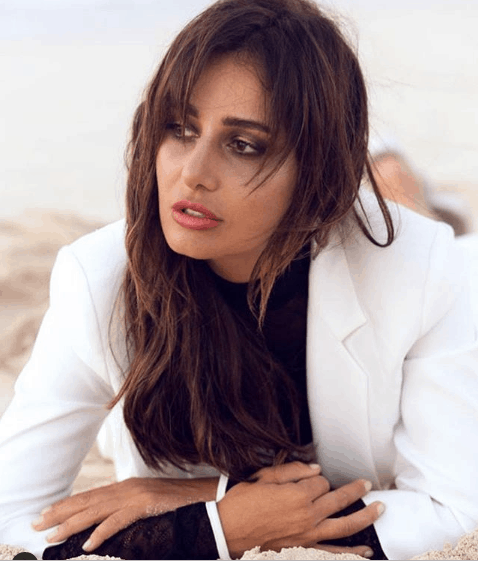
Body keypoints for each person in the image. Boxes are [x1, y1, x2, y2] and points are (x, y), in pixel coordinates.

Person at [0, 0, 477, 560]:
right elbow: (11, 518)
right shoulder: (96, 277)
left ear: (316, 169)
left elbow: (454, 512)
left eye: (244, 145)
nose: (192, 174)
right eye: (180, 129)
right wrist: (221, 522)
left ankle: (405, 181)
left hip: (405, 242)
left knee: (414, 213)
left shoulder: (426, 272)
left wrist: (205, 502)